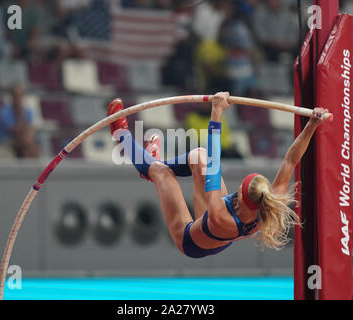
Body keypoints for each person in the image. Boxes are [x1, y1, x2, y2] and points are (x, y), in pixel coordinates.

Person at [107, 92, 329, 258]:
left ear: (242, 197)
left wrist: (217, 111)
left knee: (163, 173)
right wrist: (312, 125)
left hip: (191, 240)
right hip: (215, 225)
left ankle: (123, 137)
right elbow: (290, 160)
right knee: (199, 157)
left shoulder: (222, 216)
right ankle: (149, 166)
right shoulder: (268, 201)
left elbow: (215, 160)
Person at [0, 84, 39, 158]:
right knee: (26, 144)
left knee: (32, 147)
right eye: (16, 96)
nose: (19, 99)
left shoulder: (28, 111)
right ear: (12, 97)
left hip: (23, 142)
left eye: (21, 96)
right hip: (7, 142)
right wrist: (20, 113)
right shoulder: (4, 112)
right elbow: (15, 131)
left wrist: (29, 136)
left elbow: (30, 129)